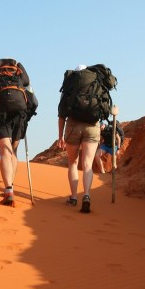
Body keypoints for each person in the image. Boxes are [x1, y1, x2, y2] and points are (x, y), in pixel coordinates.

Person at [0, 58, 37, 207]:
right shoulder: (20, 80)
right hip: (20, 119)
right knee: (13, 151)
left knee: (5, 153)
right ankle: (11, 184)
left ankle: (9, 190)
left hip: (1, 119)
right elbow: (34, 102)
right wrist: (26, 117)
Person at [57, 65, 102, 214]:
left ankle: (74, 197)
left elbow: (62, 115)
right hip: (92, 125)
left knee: (73, 162)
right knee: (88, 164)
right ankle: (87, 195)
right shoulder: (96, 84)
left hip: (73, 126)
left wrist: (60, 136)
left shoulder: (70, 86)